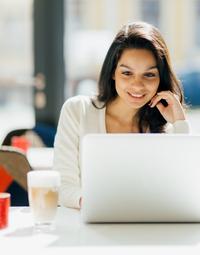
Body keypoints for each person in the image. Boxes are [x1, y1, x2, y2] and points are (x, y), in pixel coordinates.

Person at [53, 21, 190, 209]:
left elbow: (185, 190)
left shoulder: (164, 127)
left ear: (161, 79)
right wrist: (103, 206)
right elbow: (63, 188)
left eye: (149, 75)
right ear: (113, 73)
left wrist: (180, 123)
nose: (137, 85)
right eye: (127, 73)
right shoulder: (78, 110)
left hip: (149, 228)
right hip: (91, 227)